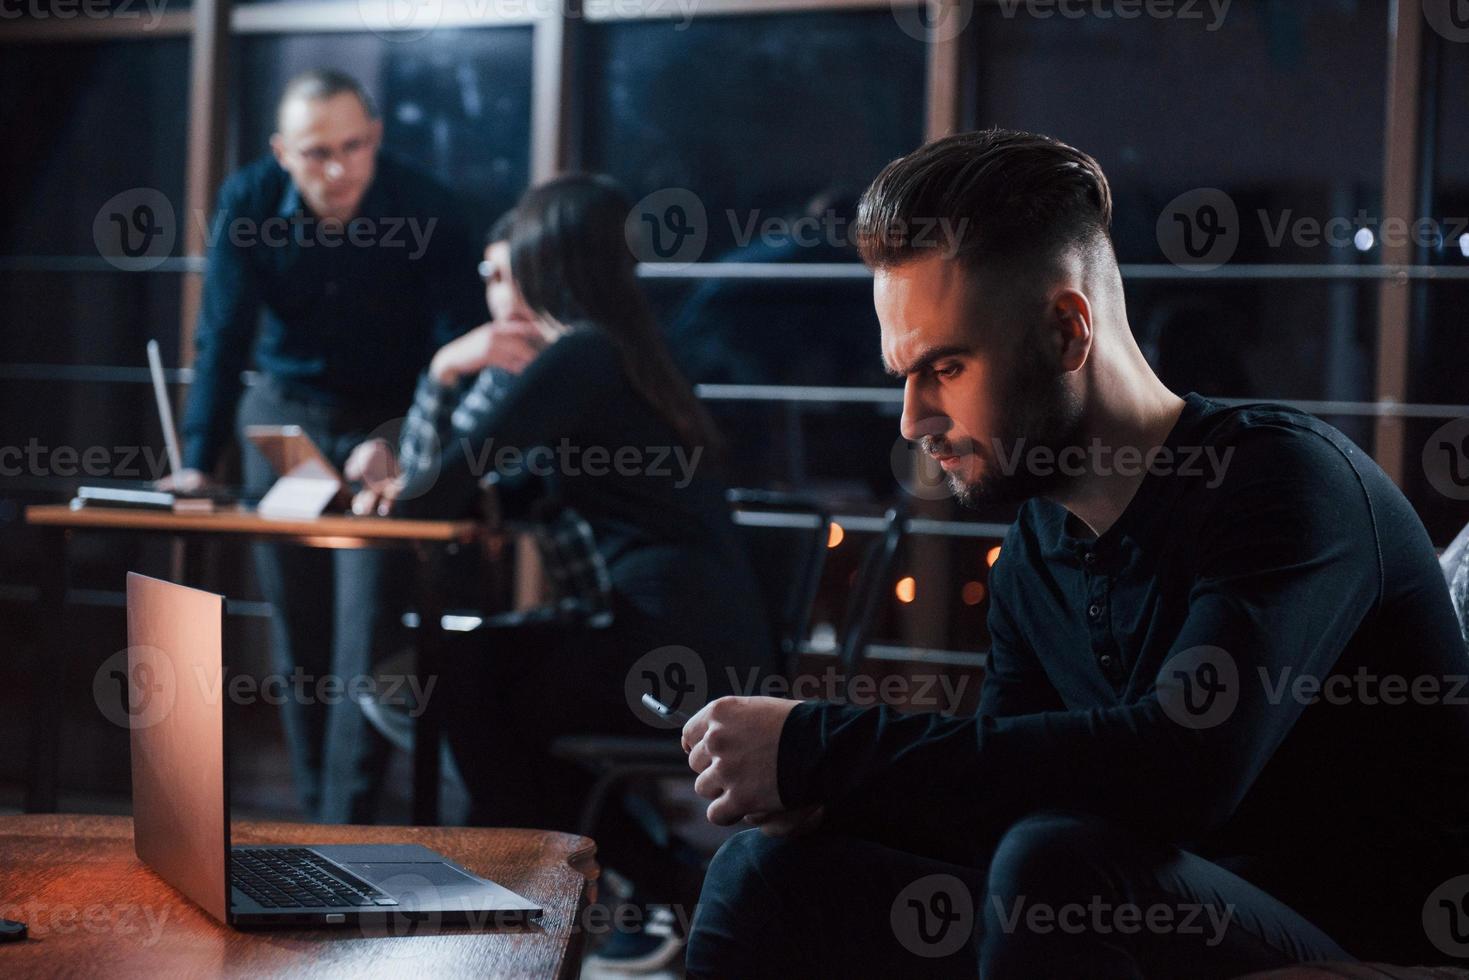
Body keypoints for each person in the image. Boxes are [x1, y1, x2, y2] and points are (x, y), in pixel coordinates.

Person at [680, 130, 1469, 977]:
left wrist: (818, 747)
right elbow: (1000, 790)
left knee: (1056, 866)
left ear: (1065, 331)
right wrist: (827, 793)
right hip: (1145, 918)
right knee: (769, 870)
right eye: (903, 375)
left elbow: (1182, 769)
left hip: (1371, 950)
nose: (911, 420)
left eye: (945, 366)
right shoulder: (1036, 549)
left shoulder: (1282, 483)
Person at [351, 174, 771, 969]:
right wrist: (444, 490)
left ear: (549, 264)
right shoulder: (624, 358)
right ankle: (631, 882)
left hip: (662, 648)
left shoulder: (580, 355)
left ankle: (535, 900)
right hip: (691, 637)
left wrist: (445, 367)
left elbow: (435, 494)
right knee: (487, 681)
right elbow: (500, 490)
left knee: (464, 675)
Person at [163, 69, 484, 822]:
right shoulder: (246, 202)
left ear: (375, 140)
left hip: (391, 415)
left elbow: (454, 352)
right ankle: (311, 817)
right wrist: (197, 460)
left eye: (354, 147)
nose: (338, 170)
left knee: (366, 635)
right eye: (316, 153)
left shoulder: (427, 207)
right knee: (299, 632)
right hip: (286, 418)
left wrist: (409, 445)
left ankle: (349, 829)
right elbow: (221, 340)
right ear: (281, 151)